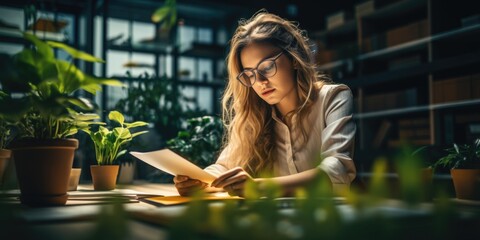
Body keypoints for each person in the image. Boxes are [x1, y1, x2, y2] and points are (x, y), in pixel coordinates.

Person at [174, 10, 356, 197]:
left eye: (267, 67)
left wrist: (261, 186)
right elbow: (223, 166)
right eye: (250, 74)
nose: (260, 81)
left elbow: (337, 169)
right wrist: (199, 182)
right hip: (277, 220)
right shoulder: (254, 115)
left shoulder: (333, 97)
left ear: (293, 58)